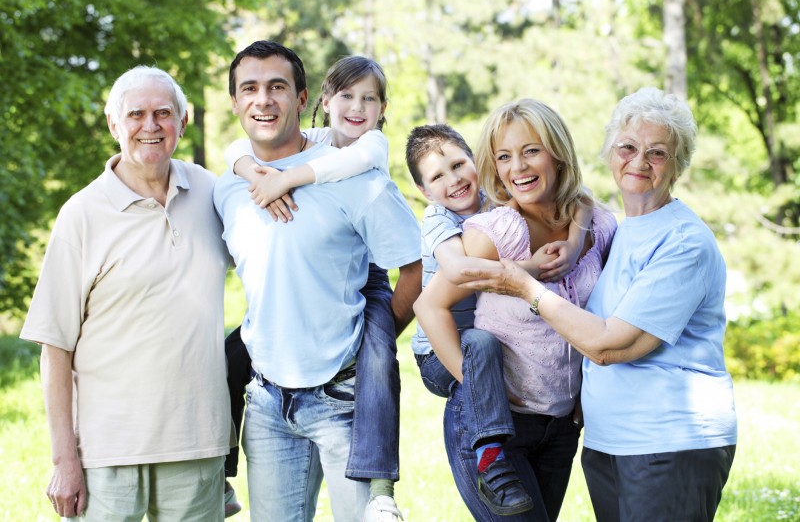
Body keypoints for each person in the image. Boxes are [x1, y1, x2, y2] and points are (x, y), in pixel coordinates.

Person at [461, 87, 738, 521]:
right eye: (627, 147)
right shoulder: (623, 229)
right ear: (611, 154)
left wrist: (527, 287)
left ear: (678, 163)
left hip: (669, 441)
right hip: (610, 443)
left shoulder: (683, 242)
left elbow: (611, 345)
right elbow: (582, 201)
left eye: (657, 153)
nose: (639, 161)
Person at [213, 40, 421, 522]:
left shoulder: (357, 176)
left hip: (343, 400)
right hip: (265, 402)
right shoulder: (228, 186)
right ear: (235, 102)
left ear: (304, 98)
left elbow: (415, 267)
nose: (263, 99)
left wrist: (374, 337)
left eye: (277, 87)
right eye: (250, 88)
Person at [20, 66, 231, 521]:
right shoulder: (82, 214)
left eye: (163, 113)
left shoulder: (213, 193)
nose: (150, 126)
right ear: (114, 124)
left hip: (196, 445)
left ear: (183, 121)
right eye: (136, 114)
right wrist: (64, 462)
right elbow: (54, 347)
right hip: (107, 454)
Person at [414, 99, 617, 521]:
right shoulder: (495, 231)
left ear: (558, 152)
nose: (517, 167)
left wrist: (578, 240)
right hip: (497, 430)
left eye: (530, 150)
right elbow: (429, 305)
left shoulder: (597, 224)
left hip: (561, 428)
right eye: (504, 156)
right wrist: (475, 388)